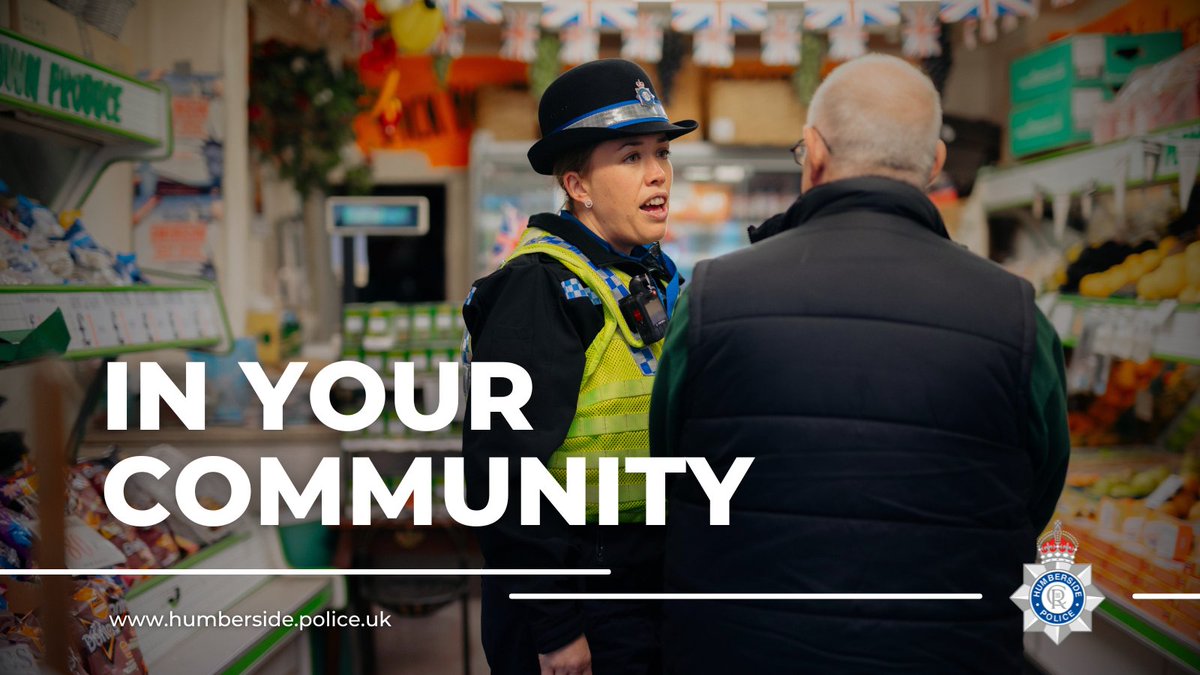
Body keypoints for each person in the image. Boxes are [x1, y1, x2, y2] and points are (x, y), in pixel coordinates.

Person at [650, 54, 1069, 673]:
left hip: (743, 648)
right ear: (934, 164)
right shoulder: (1017, 315)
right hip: (947, 651)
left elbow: (672, 464)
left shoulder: (713, 297)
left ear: (814, 152)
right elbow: (1036, 489)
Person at [462, 59, 695, 675]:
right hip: (576, 593)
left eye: (662, 153)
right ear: (578, 186)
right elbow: (504, 476)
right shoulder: (538, 291)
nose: (658, 175)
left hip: (635, 576)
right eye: (630, 157)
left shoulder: (639, 275)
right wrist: (557, 627)